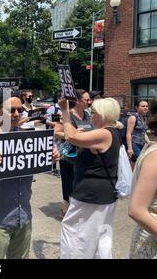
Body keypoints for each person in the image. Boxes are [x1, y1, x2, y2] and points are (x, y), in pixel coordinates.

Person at [0, 89, 59, 259]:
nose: (17, 114)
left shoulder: (27, 138)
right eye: (12, 110)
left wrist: (50, 158)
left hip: (23, 218)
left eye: (20, 110)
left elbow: (34, 164)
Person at [59, 97, 122, 259]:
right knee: (101, 238)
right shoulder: (111, 132)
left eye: (93, 112)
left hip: (91, 195)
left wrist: (65, 111)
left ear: (102, 115)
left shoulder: (104, 133)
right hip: (103, 194)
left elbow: (71, 137)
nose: (91, 115)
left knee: (76, 236)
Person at [54, 89, 93, 218]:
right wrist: (73, 134)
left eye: (89, 100)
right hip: (68, 155)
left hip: (84, 154)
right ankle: (66, 210)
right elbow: (56, 132)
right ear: (77, 101)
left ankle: (73, 209)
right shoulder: (67, 115)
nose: (89, 102)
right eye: (86, 100)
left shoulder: (87, 115)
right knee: (69, 182)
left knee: (79, 182)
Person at [128, 97, 157, 259]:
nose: (145, 108)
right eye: (142, 105)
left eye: (147, 106)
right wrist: (131, 148)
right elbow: (136, 210)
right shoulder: (155, 157)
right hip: (151, 240)